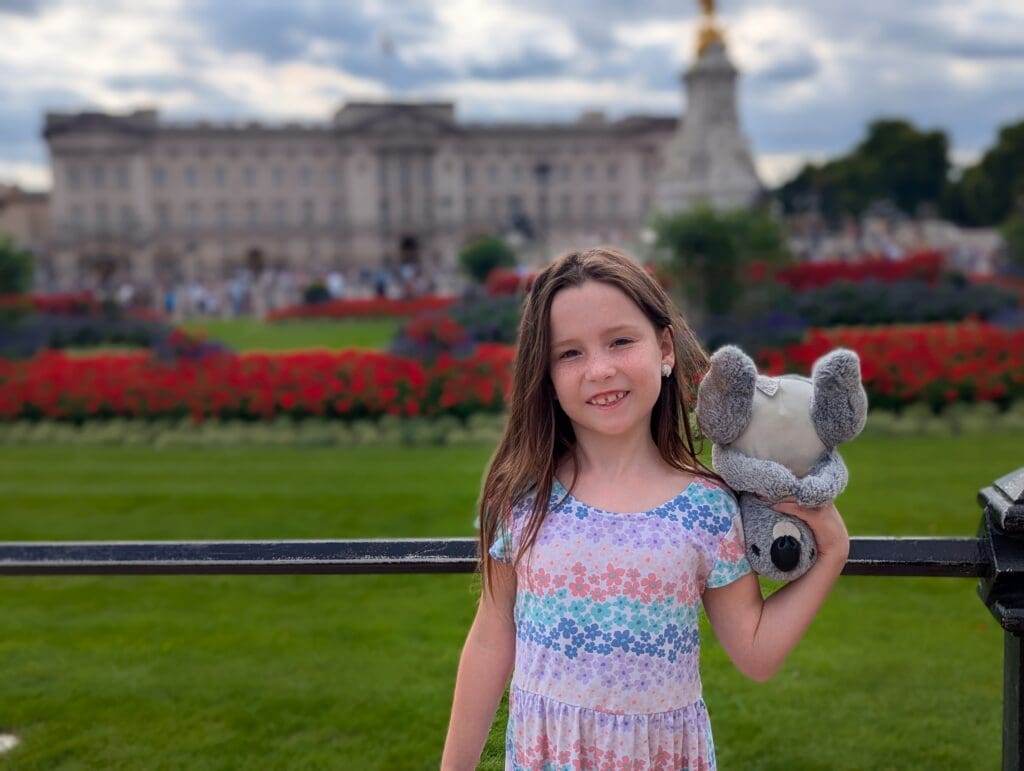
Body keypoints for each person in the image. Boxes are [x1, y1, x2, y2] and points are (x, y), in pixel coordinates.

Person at [440, 247, 850, 770]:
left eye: (620, 341)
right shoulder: (525, 493)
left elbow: (757, 652)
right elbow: (490, 638)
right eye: (570, 353)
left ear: (665, 349)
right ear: (546, 374)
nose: (600, 369)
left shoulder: (706, 508)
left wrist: (833, 550)